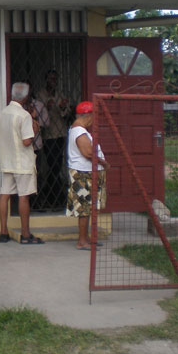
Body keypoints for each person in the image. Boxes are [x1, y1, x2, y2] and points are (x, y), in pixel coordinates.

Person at [0, 82, 44, 244]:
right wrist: (35, 132)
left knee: (5, 195)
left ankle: (3, 232)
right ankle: (25, 234)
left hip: (7, 160)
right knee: (24, 196)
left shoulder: (3, 113)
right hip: (22, 162)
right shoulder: (24, 116)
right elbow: (26, 141)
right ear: (25, 96)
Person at [66, 100, 109, 250]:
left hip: (86, 172)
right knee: (84, 209)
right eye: (94, 115)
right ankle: (82, 241)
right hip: (83, 174)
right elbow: (88, 152)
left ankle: (86, 238)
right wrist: (103, 163)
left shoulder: (78, 130)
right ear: (87, 115)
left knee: (87, 208)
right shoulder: (79, 131)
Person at [36, 69, 72, 209]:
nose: (53, 81)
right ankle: (52, 194)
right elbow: (37, 113)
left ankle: (54, 194)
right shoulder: (40, 95)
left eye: (55, 79)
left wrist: (63, 107)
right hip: (48, 135)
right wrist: (47, 107)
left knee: (58, 163)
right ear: (46, 80)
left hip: (60, 133)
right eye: (51, 79)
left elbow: (67, 113)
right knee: (52, 165)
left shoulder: (59, 94)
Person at [21, 81, 49, 210]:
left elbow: (46, 123)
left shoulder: (39, 105)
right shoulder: (18, 107)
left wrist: (34, 117)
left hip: (36, 145)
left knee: (38, 174)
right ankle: (25, 202)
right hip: (21, 147)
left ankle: (37, 202)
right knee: (23, 177)